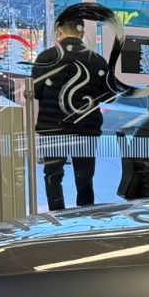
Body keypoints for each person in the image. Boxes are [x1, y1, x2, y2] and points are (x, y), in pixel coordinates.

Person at [32, 18, 109, 210]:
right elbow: (107, 95)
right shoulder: (97, 61)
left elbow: (36, 92)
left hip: (52, 127)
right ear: (82, 33)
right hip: (86, 128)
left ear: (60, 31)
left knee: (53, 175)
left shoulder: (45, 58)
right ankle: (84, 216)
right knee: (85, 178)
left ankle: (57, 215)